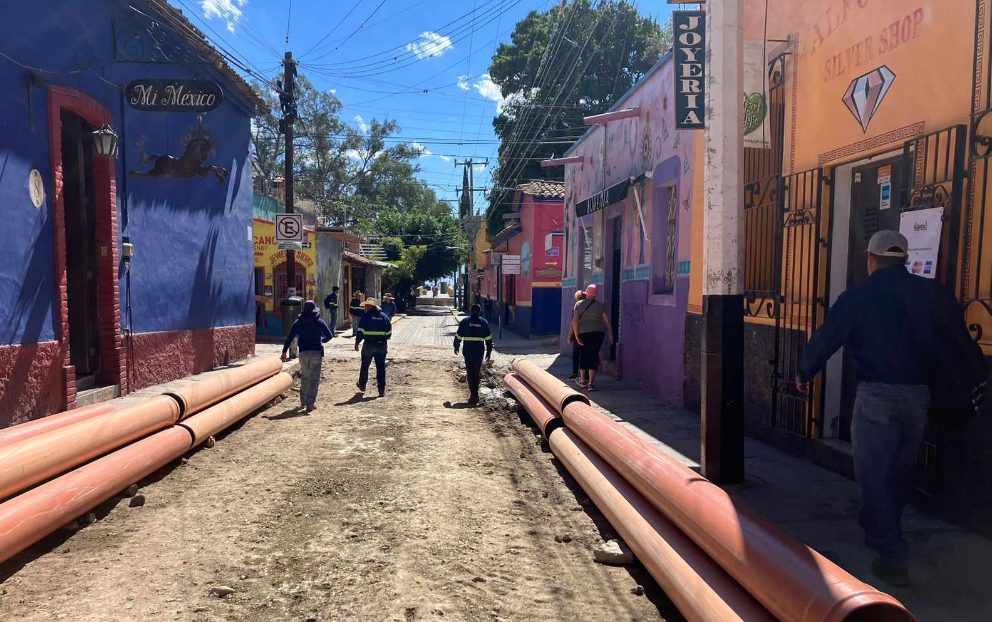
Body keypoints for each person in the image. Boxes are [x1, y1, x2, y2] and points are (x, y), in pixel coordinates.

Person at [797, 230, 987, 587]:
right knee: (900, 472)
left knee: (873, 475)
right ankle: (877, 524)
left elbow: (827, 337)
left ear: (870, 259)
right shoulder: (933, 294)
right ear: (905, 260)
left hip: (876, 399)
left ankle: (892, 554)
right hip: (918, 398)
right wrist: (979, 378)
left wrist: (804, 371)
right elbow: (960, 341)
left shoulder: (857, 298)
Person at [280, 300, 333, 412]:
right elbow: (329, 335)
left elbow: (290, 337)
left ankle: (303, 401)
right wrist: (321, 341)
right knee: (314, 378)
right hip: (316, 352)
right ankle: (310, 403)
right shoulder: (319, 322)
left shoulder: (298, 322)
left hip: (303, 353)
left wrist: (284, 352)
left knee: (305, 376)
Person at [571, 284, 613, 392]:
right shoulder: (601, 305)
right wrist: (611, 334)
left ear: (587, 294)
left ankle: (583, 380)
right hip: (598, 333)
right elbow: (607, 321)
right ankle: (591, 383)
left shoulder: (578, 304)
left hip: (583, 333)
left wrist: (576, 335)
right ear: (595, 295)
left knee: (583, 355)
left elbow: (575, 321)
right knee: (594, 355)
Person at [454, 304, 494, 405]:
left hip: (468, 352)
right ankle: (475, 395)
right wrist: (489, 351)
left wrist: (456, 346)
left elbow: (458, 335)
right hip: (479, 352)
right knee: (476, 373)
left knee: (470, 373)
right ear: (480, 312)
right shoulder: (484, 323)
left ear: (470, 311)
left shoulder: (465, 322)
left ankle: (473, 394)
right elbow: (489, 339)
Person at [355, 298, 392, 397]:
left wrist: (357, 342)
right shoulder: (384, 317)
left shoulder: (366, 317)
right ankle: (381, 390)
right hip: (381, 346)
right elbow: (389, 334)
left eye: (367, 306)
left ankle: (362, 385)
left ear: (371, 306)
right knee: (380, 368)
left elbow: (360, 332)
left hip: (368, 345)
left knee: (365, 365)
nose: (365, 307)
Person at [566, 290, 586, 379]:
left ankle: (575, 373)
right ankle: (586, 376)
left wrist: (570, 336)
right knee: (585, 354)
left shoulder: (576, 308)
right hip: (588, 332)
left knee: (576, 354)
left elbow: (573, 323)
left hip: (577, 332)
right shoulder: (591, 306)